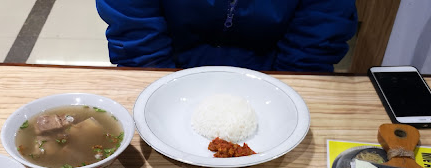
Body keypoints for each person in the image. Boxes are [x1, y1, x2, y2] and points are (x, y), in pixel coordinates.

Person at [96, 0, 357, 72]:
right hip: (167, 68)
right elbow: (137, 39)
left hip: (277, 74)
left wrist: (282, 95)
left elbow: (315, 42)